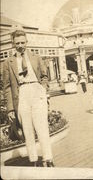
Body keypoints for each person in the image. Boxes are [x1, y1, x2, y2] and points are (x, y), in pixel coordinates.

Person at [3, 29, 54, 167]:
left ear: (27, 42)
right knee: (27, 129)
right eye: (17, 43)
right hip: (21, 94)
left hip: (37, 91)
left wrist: (43, 89)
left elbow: (44, 76)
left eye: (23, 42)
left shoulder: (36, 58)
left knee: (42, 126)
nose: (20, 45)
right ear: (13, 44)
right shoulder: (8, 62)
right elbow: (7, 87)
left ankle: (48, 158)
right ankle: (33, 160)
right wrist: (10, 109)